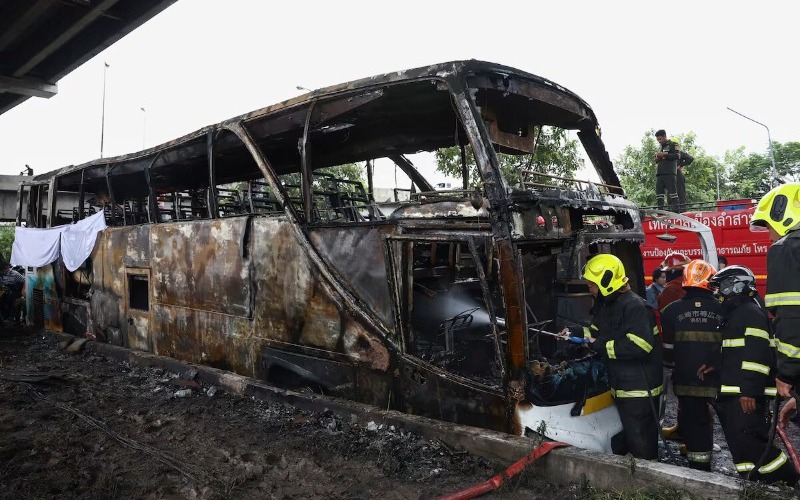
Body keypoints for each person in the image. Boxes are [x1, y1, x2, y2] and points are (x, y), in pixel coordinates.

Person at [560, 254, 663, 459]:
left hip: (640, 390)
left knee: (641, 441)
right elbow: (596, 332)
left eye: (592, 283)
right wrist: (575, 333)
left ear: (606, 281)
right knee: (631, 438)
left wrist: (599, 346)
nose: (589, 287)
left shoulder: (634, 306)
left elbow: (639, 346)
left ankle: (648, 480)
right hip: (624, 385)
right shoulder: (607, 305)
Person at [709, 265, 799, 484]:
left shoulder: (749, 313)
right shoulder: (738, 313)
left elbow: (756, 356)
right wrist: (715, 367)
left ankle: (789, 479)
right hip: (735, 391)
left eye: (720, 288)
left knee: (752, 441)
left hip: (746, 393)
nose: (717, 293)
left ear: (734, 287)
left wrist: (749, 391)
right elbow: (736, 353)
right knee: (741, 443)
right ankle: (753, 481)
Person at [660, 260, 722, 471]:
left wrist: (670, 370)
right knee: (731, 424)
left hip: (686, 380)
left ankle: (699, 468)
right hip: (721, 380)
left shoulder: (670, 310)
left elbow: (667, 348)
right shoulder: (724, 309)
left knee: (694, 422)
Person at [750, 183, 800, 399]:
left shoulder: (788, 248)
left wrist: (787, 374)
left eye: (768, 226)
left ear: (783, 213)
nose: (769, 235)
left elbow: (792, 317)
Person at [654, 129, 680, 211]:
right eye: (657, 140)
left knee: (673, 194)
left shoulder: (674, 144)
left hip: (670, 173)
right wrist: (657, 158)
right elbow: (659, 159)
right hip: (660, 173)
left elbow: (677, 156)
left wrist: (665, 155)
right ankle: (660, 212)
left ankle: (676, 212)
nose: (659, 141)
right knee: (659, 195)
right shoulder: (661, 147)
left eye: (660, 139)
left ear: (665, 136)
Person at [671, 137, 694, 212]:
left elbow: (690, 158)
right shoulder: (671, 153)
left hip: (676, 175)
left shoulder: (678, 153)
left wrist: (681, 165)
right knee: (674, 194)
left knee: (679, 194)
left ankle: (681, 212)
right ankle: (675, 211)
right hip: (671, 176)